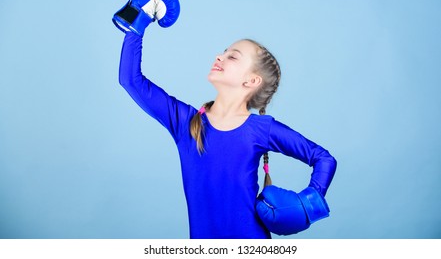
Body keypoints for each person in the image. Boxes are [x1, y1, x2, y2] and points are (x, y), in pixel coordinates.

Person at [118, 32, 337, 239]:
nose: (219, 57)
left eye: (232, 56)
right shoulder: (185, 123)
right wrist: (137, 21)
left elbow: (323, 158)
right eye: (223, 52)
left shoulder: (261, 129)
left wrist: (307, 204)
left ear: (251, 81)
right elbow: (130, 79)